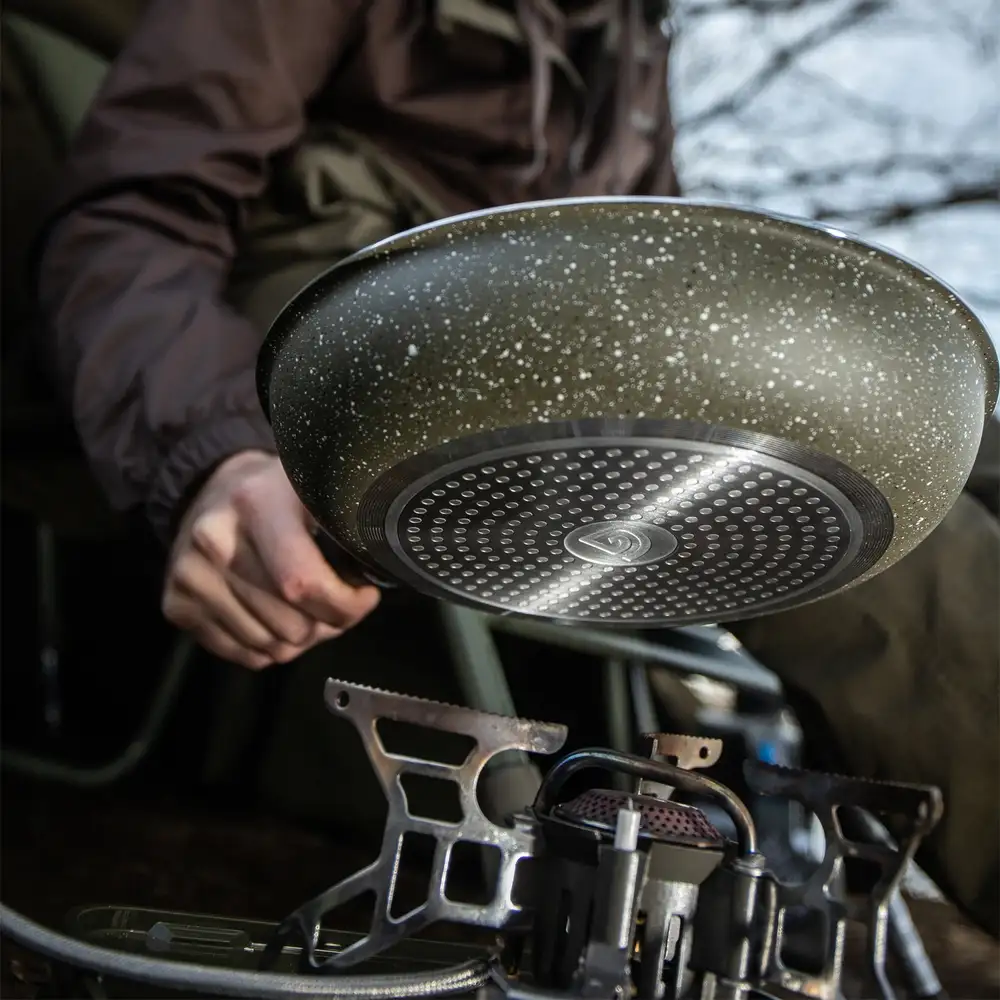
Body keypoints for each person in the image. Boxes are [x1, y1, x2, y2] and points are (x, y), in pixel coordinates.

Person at [34, 0, 998, 934]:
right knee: (867, 499)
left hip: (570, 373)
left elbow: (648, 267)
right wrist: (211, 450)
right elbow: (137, 208)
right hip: (354, 322)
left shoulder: (629, 40)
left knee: (952, 448)